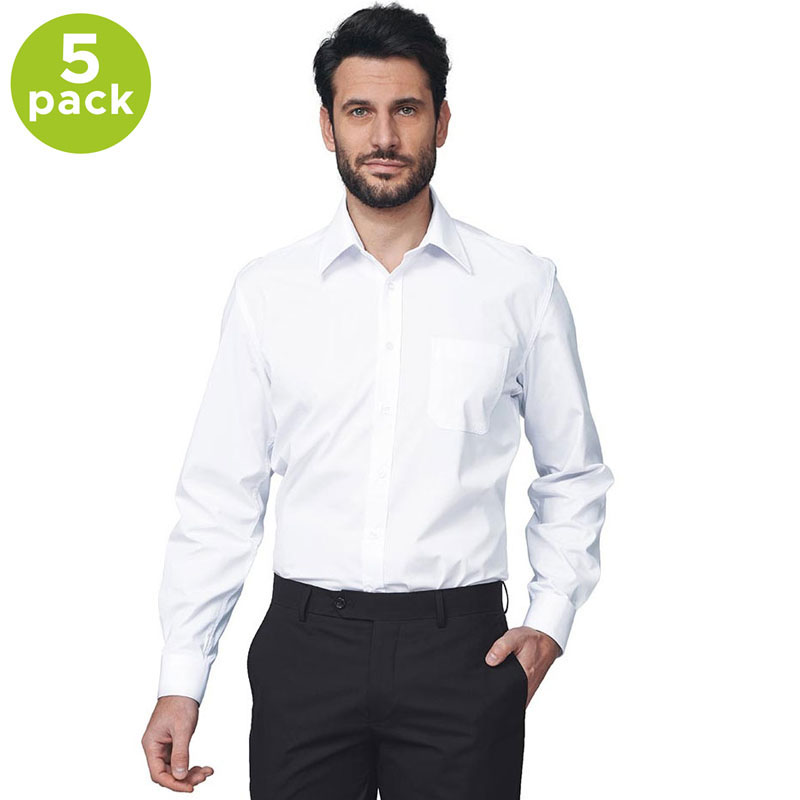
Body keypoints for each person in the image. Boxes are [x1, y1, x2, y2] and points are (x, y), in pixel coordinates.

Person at [141, 3, 614, 797]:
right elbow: (221, 496)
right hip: (305, 649)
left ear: (442, 121)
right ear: (328, 126)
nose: (384, 136)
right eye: (360, 111)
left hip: (462, 653)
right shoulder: (268, 293)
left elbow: (574, 473)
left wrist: (552, 617)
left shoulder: (519, 287)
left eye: (407, 110)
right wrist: (181, 679)